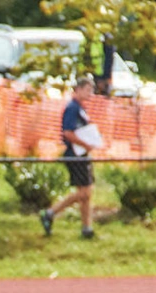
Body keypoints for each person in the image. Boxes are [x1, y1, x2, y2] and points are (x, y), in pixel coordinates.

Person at [40, 76, 98, 239]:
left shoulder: (81, 108)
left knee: (87, 192)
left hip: (83, 154)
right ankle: (50, 212)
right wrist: (85, 144)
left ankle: (87, 228)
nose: (90, 93)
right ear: (77, 90)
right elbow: (68, 133)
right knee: (82, 194)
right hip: (75, 154)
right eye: (87, 89)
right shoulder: (72, 108)